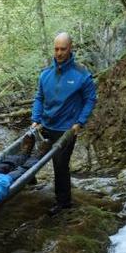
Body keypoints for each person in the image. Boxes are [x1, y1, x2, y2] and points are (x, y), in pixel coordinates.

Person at [31, 32, 97, 215]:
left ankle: (63, 203)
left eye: (63, 49)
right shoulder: (45, 74)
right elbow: (39, 98)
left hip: (66, 129)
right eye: (56, 49)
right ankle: (28, 185)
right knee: (28, 154)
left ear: (70, 49)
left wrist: (80, 122)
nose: (59, 53)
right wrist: (35, 119)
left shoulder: (81, 74)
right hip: (45, 125)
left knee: (60, 165)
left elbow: (90, 99)